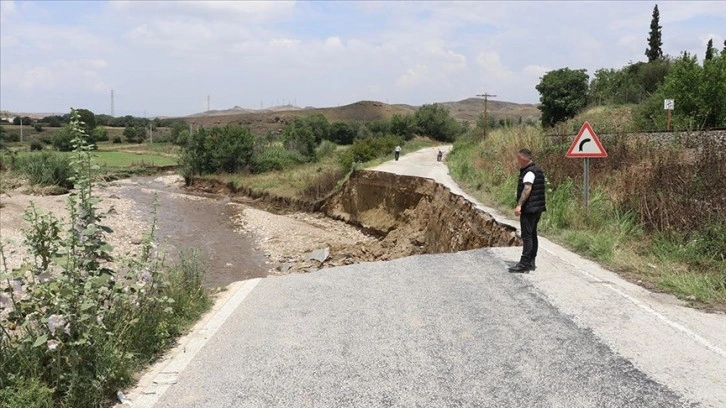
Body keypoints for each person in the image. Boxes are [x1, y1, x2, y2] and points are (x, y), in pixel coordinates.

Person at [509, 148, 546, 273]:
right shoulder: (538, 170)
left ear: (524, 158)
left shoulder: (529, 172)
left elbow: (527, 189)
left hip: (529, 208)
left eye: (518, 158)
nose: (517, 160)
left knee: (527, 236)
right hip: (537, 208)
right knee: (533, 234)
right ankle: (531, 261)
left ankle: (524, 263)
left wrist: (519, 205)